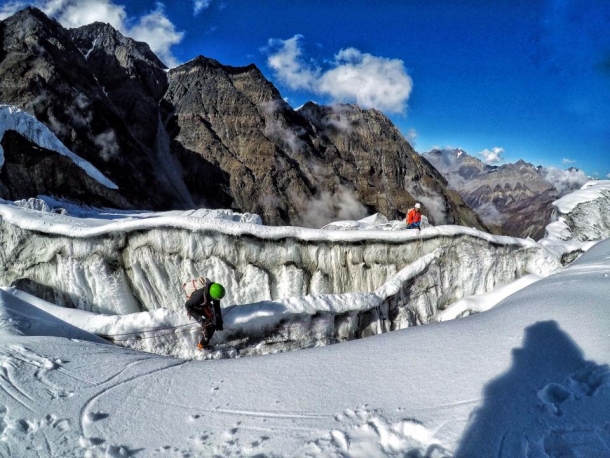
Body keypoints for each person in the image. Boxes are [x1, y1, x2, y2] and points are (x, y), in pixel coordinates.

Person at [184, 278, 225, 350]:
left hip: (202, 304)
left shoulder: (214, 293)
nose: (218, 300)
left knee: (213, 323)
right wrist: (200, 319)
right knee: (209, 327)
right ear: (212, 295)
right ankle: (201, 346)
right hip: (194, 307)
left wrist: (219, 321)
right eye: (218, 298)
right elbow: (187, 305)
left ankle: (203, 344)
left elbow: (217, 307)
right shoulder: (199, 296)